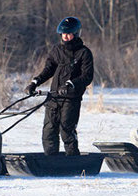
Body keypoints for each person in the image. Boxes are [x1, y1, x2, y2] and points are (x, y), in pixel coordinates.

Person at [24, 17, 94, 156]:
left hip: (71, 99)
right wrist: (35, 82)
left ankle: (73, 160)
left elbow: (87, 76)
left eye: (68, 34)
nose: (65, 37)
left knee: (66, 130)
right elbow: (48, 70)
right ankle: (51, 160)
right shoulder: (56, 50)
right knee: (49, 130)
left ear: (76, 34)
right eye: (63, 34)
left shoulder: (84, 53)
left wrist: (71, 84)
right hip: (54, 97)